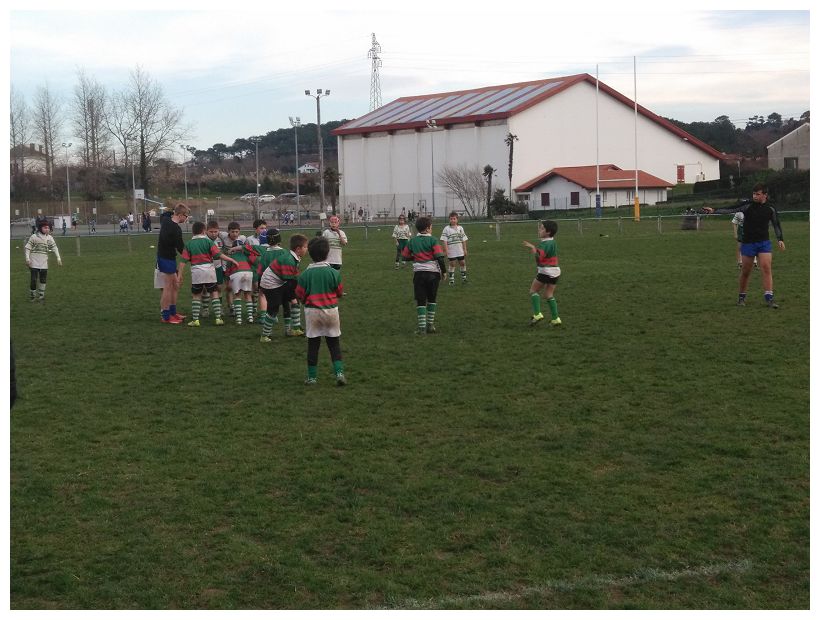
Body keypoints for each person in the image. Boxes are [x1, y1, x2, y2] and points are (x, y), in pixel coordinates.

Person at [704, 182, 785, 308]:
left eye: (758, 194)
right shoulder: (747, 205)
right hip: (748, 243)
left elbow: (776, 224)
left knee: (766, 268)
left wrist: (780, 239)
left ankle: (769, 298)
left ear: (765, 195)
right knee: (746, 271)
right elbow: (731, 208)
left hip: (764, 243)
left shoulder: (771, 208)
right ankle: (741, 298)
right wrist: (714, 210)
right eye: (754, 194)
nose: (755, 196)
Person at [295, 236, 346, 386]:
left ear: (310, 254)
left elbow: (299, 294)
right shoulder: (334, 273)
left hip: (312, 313)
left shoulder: (305, 275)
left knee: (313, 345)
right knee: (334, 344)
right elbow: (339, 292)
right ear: (328, 252)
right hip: (331, 312)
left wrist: (305, 299)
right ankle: (339, 374)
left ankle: (312, 378)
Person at [180, 221, 238, 326]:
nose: (214, 233)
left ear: (193, 232)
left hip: (197, 272)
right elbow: (219, 254)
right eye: (211, 231)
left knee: (196, 295)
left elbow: (183, 261)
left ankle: (196, 320)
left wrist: (180, 275)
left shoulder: (188, 244)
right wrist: (232, 260)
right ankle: (218, 318)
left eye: (216, 231)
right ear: (204, 231)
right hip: (210, 271)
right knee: (214, 292)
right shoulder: (208, 242)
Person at [401, 216, 446, 334]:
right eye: (431, 227)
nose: (432, 228)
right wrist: (444, 272)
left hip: (419, 275)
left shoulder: (412, 241)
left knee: (421, 300)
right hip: (433, 274)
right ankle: (430, 326)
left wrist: (415, 257)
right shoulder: (433, 240)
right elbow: (440, 258)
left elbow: (404, 256)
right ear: (427, 228)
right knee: (432, 299)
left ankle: (422, 329)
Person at [259, 233, 308, 342]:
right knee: (274, 308)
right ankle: (265, 335)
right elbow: (290, 281)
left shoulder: (293, 257)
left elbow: (293, 279)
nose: (307, 249)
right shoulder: (288, 260)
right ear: (298, 249)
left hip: (279, 282)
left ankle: (294, 329)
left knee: (293, 301)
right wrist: (297, 294)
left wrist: (295, 294)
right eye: (305, 247)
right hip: (270, 285)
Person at [522, 220, 562, 327]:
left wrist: (533, 249)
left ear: (548, 232)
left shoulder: (545, 243)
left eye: (542, 228)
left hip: (546, 271)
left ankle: (537, 314)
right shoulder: (552, 242)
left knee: (533, 291)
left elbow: (540, 256)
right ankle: (555, 319)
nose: (539, 230)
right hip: (555, 271)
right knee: (548, 295)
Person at [156, 203, 190, 324]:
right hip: (166, 259)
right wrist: (191, 257)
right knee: (168, 287)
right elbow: (181, 248)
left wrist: (175, 210)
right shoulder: (176, 229)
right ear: (180, 215)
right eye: (186, 216)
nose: (186, 219)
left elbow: (165, 214)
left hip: (166, 258)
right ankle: (166, 317)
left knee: (175, 285)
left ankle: (173, 312)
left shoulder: (165, 220)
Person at [223, 233, 260, 325]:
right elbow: (256, 262)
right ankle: (250, 317)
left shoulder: (231, 257)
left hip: (237, 274)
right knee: (248, 294)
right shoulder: (247, 255)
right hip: (248, 273)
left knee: (237, 295)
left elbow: (227, 271)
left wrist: (227, 282)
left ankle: (239, 318)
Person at [25, 218, 62, 303]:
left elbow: (55, 248)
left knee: (43, 280)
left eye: (48, 228)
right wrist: (27, 259)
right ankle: (32, 296)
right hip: (33, 262)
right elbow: (27, 248)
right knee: (34, 280)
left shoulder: (49, 238)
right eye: (45, 227)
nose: (47, 229)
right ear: (40, 228)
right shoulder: (34, 237)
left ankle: (41, 297)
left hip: (44, 263)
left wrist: (58, 258)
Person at [440, 211, 469, 285]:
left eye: (454, 219)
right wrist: (446, 250)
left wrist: (465, 249)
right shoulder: (446, 229)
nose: (452, 220)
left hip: (460, 250)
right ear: (449, 219)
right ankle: (451, 280)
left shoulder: (460, 228)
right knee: (452, 264)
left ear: (457, 219)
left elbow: (464, 240)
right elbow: (444, 240)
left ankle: (464, 278)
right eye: (451, 219)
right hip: (451, 251)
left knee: (462, 263)